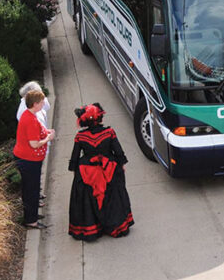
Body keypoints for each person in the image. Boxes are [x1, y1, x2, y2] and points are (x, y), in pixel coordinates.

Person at [68, 103, 135, 240]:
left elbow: (75, 156)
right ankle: (115, 225)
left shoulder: (80, 137)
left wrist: (75, 170)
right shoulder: (109, 132)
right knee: (113, 195)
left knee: (87, 198)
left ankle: (93, 227)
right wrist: (121, 164)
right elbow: (118, 151)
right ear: (99, 118)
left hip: (87, 172)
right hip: (108, 169)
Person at [14, 89, 54, 229]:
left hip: (28, 160)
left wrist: (45, 132)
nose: (44, 103)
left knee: (30, 189)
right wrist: (48, 138)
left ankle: (31, 215)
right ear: (35, 104)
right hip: (29, 160)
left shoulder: (29, 115)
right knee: (31, 189)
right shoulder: (30, 119)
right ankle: (31, 220)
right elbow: (34, 144)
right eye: (42, 101)